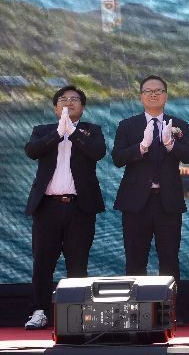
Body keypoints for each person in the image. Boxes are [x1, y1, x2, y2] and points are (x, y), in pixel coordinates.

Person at [23, 86, 105, 329]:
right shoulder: (43, 130)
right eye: (63, 99)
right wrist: (59, 132)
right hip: (47, 207)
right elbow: (32, 151)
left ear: (82, 107)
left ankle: (77, 314)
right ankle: (39, 311)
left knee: (78, 261)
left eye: (74, 99)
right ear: (55, 107)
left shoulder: (92, 130)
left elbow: (98, 153)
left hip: (80, 207)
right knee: (43, 261)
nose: (69, 102)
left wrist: (73, 132)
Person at [112, 75, 189, 284]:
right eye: (148, 91)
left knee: (169, 259)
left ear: (166, 95)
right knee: (135, 259)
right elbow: (118, 159)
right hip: (135, 202)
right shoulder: (127, 125)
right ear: (141, 96)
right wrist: (142, 147)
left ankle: (170, 305)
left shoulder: (179, 125)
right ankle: (137, 305)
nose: (153, 94)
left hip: (168, 202)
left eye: (158, 91)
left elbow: (188, 156)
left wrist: (170, 144)